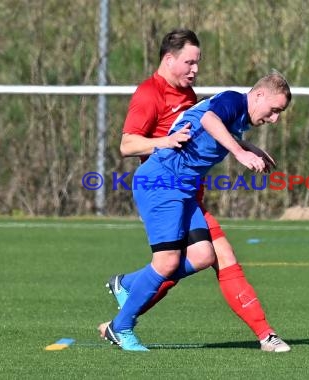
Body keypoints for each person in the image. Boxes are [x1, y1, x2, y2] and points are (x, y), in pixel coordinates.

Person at [99, 28, 291, 352]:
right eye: (273, 110)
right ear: (257, 95)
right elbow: (210, 121)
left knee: (202, 255)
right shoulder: (229, 99)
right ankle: (121, 326)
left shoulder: (228, 109)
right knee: (167, 262)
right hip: (161, 182)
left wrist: (249, 146)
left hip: (184, 189)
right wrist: (240, 153)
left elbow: (211, 123)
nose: (273, 119)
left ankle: (128, 284)